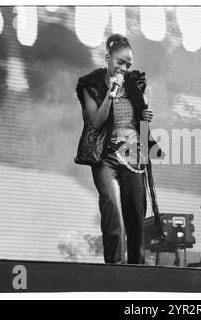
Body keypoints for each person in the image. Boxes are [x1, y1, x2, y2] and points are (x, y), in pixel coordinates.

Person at [74, 34, 164, 264]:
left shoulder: (135, 83)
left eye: (128, 64)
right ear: (107, 58)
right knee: (112, 207)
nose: (124, 68)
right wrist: (111, 93)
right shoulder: (90, 85)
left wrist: (145, 118)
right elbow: (96, 121)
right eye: (119, 63)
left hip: (133, 154)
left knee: (135, 213)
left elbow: (138, 120)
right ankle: (114, 267)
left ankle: (136, 267)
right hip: (106, 155)